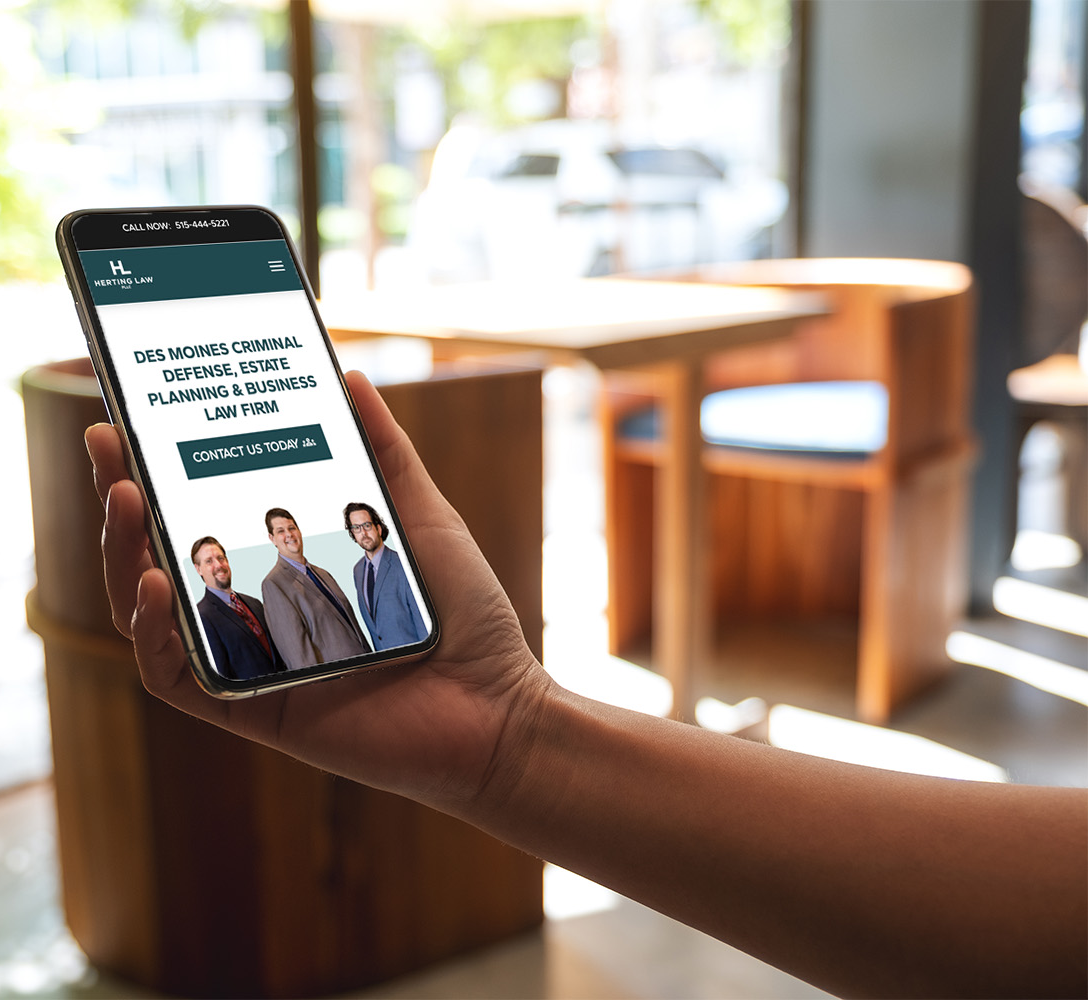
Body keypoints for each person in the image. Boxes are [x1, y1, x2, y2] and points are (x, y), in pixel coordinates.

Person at [85, 371, 1087, 999]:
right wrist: (511, 737)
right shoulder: (281, 587)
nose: (311, 538)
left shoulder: (344, 578)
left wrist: (514, 740)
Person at [258, 507, 370, 669]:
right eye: (280, 531)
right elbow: (297, 654)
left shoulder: (323, 574)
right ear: (272, 539)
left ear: (299, 531)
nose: (289, 534)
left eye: (292, 528)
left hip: (366, 667)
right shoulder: (274, 584)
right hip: (337, 681)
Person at [190, 535, 286, 680]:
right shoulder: (202, 616)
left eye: (220, 558)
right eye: (209, 561)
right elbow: (221, 676)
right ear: (198, 569)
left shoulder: (254, 603)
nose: (218, 565)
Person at [343, 501, 428, 651]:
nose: (363, 533)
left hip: (414, 657)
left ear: (378, 528)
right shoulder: (357, 571)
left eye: (367, 526)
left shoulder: (403, 564)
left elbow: (422, 622)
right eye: (356, 528)